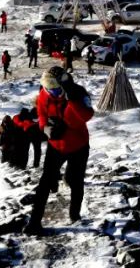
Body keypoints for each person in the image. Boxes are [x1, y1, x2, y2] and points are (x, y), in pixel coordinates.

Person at [24, 67, 94, 235]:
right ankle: (34, 223)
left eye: (55, 88)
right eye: (48, 88)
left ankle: (75, 216)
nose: (52, 92)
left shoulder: (78, 93)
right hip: (56, 146)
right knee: (44, 184)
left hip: (78, 145)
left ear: (64, 84)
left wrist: (72, 100)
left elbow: (87, 116)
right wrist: (44, 128)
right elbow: (41, 111)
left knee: (75, 181)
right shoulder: (45, 93)